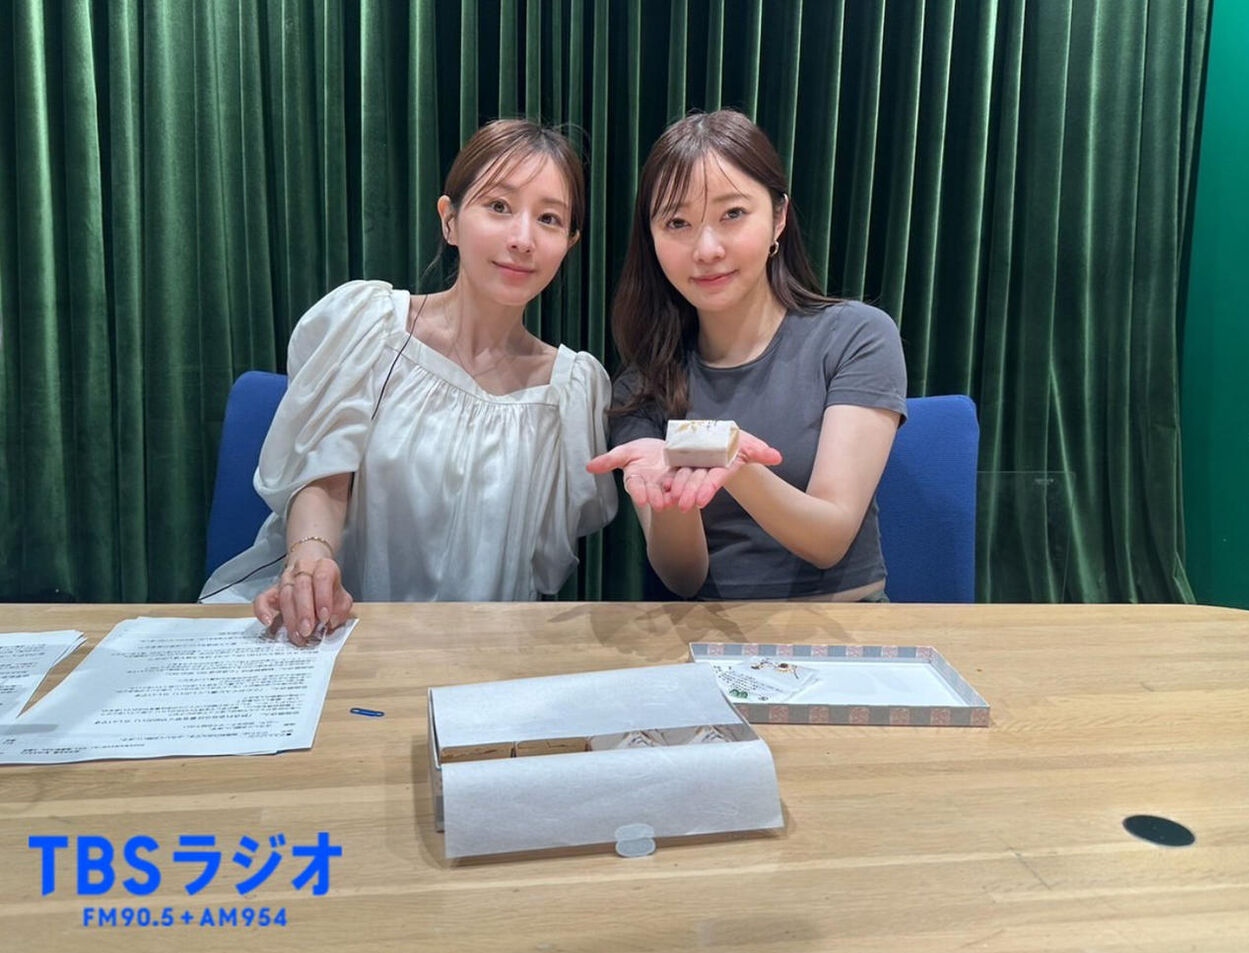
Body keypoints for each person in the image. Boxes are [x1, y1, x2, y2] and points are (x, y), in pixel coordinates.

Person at [202, 120, 617, 640]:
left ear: (569, 242)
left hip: (485, 652)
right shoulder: (369, 326)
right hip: (336, 632)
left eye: (549, 218)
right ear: (450, 220)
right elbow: (324, 477)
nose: (522, 238)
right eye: (498, 206)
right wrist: (310, 561)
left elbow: (539, 566)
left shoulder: (571, 391)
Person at [589, 110, 906, 601]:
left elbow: (829, 540)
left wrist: (733, 463)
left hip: (847, 630)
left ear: (779, 217)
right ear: (652, 240)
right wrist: (672, 493)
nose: (707, 249)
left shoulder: (857, 336)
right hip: (710, 635)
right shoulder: (642, 384)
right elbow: (682, 578)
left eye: (732, 214)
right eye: (678, 222)